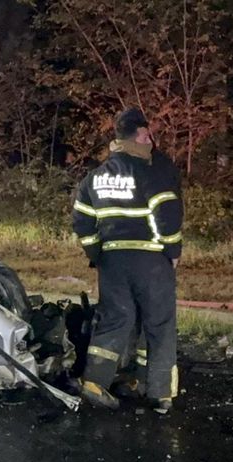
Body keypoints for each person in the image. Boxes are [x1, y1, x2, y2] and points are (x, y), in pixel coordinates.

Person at [72, 108, 183, 414]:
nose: (151, 141)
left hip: (113, 261)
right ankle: (158, 393)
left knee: (115, 318)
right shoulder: (149, 172)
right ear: (139, 135)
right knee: (159, 322)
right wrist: (173, 252)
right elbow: (168, 216)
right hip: (151, 260)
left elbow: (82, 223)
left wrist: (97, 254)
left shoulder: (93, 178)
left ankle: (94, 382)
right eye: (148, 135)